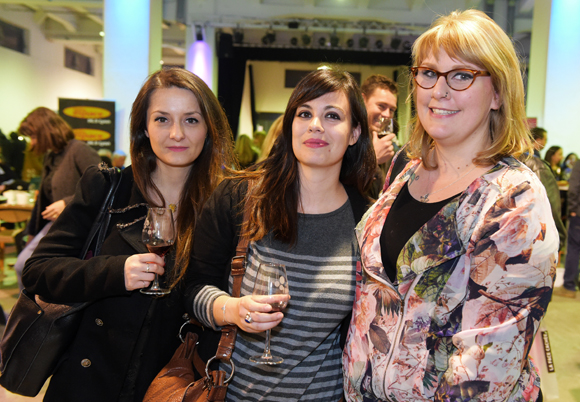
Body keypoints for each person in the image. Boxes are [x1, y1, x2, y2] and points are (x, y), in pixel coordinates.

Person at [343, 10, 558, 402]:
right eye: (428, 73)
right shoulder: (404, 170)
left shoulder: (512, 201)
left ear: (497, 93)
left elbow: (484, 373)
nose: (438, 91)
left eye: (461, 75)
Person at [22, 67, 236, 402]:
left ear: (209, 129)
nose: (176, 133)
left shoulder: (227, 205)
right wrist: (115, 272)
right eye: (162, 119)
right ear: (144, 128)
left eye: (191, 120)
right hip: (90, 380)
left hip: (171, 383)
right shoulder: (108, 187)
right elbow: (38, 271)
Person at [185, 66, 376, 401]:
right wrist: (230, 309)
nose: (316, 125)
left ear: (355, 132)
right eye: (305, 113)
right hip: (232, 393)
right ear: (290, 125)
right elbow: (191, 289)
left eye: (332, 115)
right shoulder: (239, 199)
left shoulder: (368, 219)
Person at [14, 107, 101, 289]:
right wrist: (31, 232)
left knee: (25, 266)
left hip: (75, 227)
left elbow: (103, 183)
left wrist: (66, 202)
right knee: (24, 267)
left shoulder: (79, 149)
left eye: (34, 137)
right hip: (55, 226)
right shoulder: (50, 156)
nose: (32, 143)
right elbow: (42, 202)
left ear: (46, 132)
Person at [361, 74, 401, 198]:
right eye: (381, 106)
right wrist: (374, 159)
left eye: (392, 110)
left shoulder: (388, 143)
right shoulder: (346, 138)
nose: (387, 114)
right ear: (363, 100)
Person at [557, 160, 580, 298]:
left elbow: (574, 187)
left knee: (574, 248)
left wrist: (572, 209)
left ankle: (569, 286)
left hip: (578, 214)